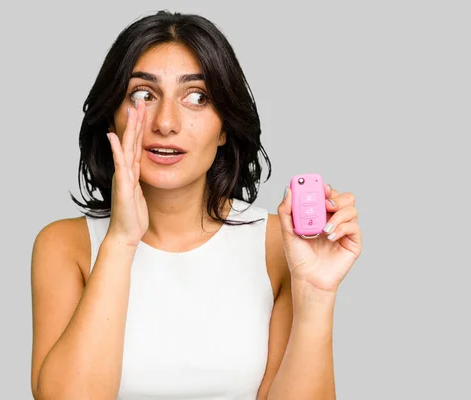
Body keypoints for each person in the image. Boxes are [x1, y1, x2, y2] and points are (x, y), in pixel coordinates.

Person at [30, 10, 362, 400]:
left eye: (197, 97)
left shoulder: (279, 247)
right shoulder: (64, 246)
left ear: (224, 127)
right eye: (143, 95)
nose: (166, 122)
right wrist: (120, 241)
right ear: (112, 118)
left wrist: (317, 295)